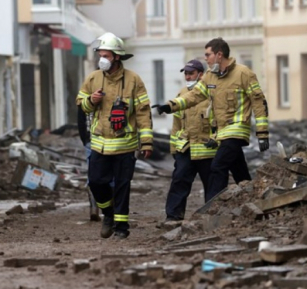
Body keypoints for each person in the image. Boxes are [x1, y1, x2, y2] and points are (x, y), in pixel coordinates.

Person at [153, 37, 269, 202]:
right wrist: (170, 106)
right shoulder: (210, 76)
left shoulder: (244, 74)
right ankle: (255, 198)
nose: (205, 59)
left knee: (217, 166)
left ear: (219, 55)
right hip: (222, 132)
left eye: (208, 55)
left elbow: (259, 102)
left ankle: (212, 207)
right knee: (239, 170)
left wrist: (262, 132)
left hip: (236, 129)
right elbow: (194, 96)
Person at [76, 32, 153, 239]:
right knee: (95, 182)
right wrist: (91, 100)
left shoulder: (134, 80)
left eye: (106, 55)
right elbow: (82, 107)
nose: (102, 59)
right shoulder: (92, 79)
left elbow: (144, 112)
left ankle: (121, 228)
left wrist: (146, 142)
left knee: (122, 186)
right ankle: (108, 213)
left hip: (125, 145)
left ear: (117, 57)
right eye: (100, 55)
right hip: (100, 144)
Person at [165, 59, 217, 223]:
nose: (187, 77)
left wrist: (216, 139)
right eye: (186, 74)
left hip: (206, 148)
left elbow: (221, 121)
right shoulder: (181, 95)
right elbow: (176, 125)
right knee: (179, 181)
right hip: (186, 148)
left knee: (212, 185)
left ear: (201, 75)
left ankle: (212, 216)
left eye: (191, 73)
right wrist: (174, 149)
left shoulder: (211, 94)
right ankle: (173, 216)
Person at [77, 106, 100, 221]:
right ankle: (113, 210)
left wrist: (85, 140)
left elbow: (81, 121)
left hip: (90, 140)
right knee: (111, 173)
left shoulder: (84, 96)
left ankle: (94, 208)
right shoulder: (111, 93)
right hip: (108, 140)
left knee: (92, 173)